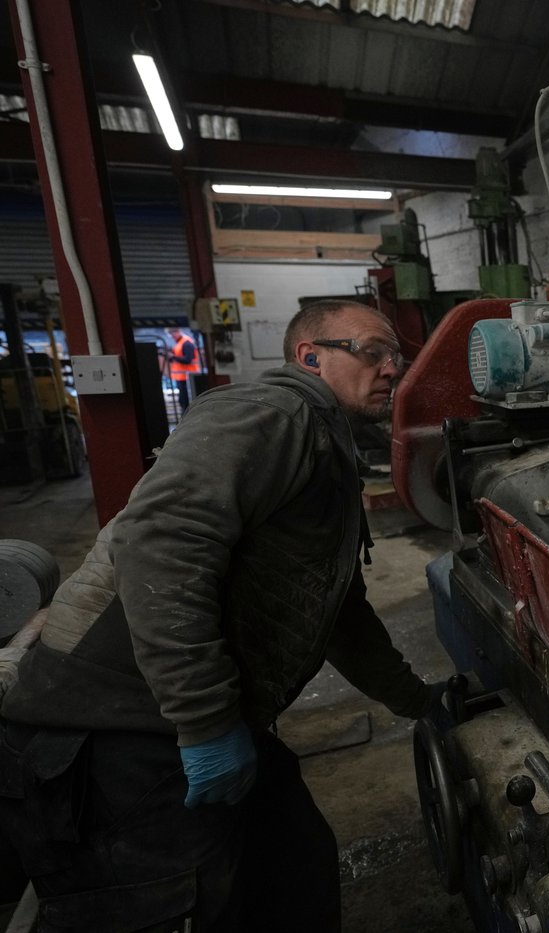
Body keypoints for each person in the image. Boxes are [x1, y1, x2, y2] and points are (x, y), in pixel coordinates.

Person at [0, 300, 442, 932]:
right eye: (372, 351)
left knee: (292, 871)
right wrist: (206, 724)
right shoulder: (271, 412)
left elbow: (335, 609)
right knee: (184, 904)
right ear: (309, 357)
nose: (392, 369)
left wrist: (417, 700)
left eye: (396, 356)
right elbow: (160, 543)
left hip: (187, 720)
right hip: (112, 734)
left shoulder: (322, 441)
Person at [166, 326, 201, 413]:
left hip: (187, 378)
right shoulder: (179, 343)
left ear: (178, 331)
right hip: (181, 378)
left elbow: (188, 360)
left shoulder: (186, 343)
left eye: (173, 334)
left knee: (186, 402)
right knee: (182, 401)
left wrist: (173, 356)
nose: (172, 337)